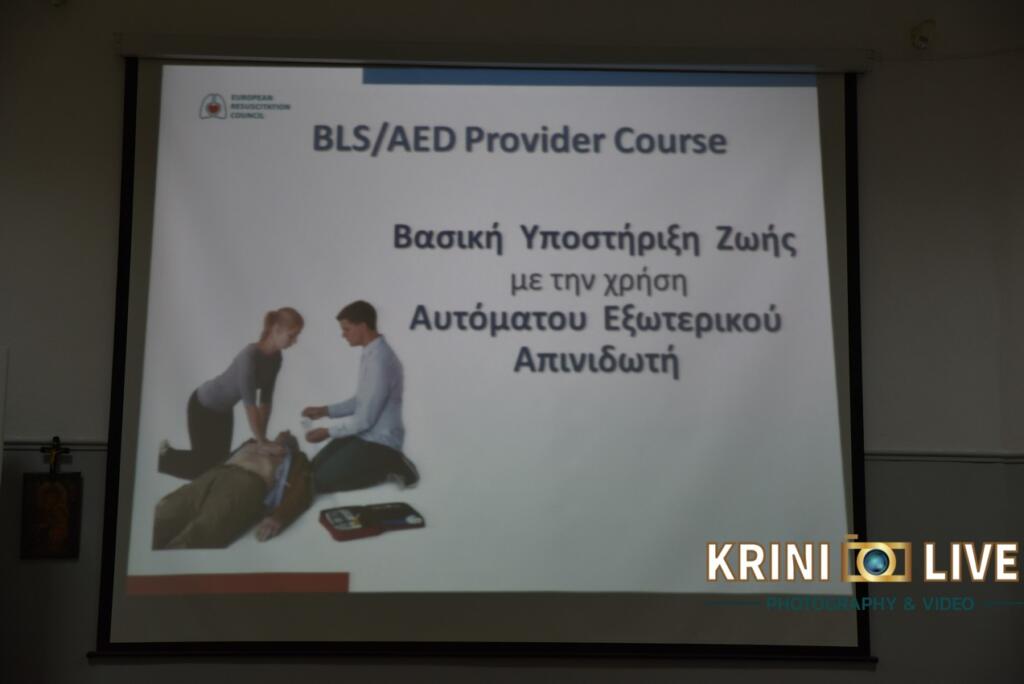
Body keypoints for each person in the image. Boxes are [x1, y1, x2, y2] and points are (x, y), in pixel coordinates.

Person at [159, 307, 304, 480]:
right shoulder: (249, 356)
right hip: (202, 406)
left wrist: (263, 440)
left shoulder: (276, 359)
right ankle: (164, 457)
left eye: (296, 336)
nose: (295, 341)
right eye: (292, 335)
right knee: (203, 469)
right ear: (276, 329)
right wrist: (261, 442)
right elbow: (250, 405)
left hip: (224, 413)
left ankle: (167, 456)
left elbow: (266, 402)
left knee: (219, 466)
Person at [302, 300, 419, 492]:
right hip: (364, 434)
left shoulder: (380, 361)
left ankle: (392, 463)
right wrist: (325, 411)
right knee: (313, 469)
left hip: (381, 441)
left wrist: (327, 432)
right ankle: (380, 463)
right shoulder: (371, 353)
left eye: (347, 329)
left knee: (320, 482)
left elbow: (365, 420)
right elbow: (361, 401)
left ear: (363, 326)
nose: (343, 335)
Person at [152, 431, 312, 549]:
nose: (285, 433)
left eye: (288, 436)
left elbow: (302, 489)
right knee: (165, 513)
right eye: (282, 434)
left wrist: (279, 517)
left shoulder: (296, 458)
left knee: (202, 531)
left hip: (247, 482)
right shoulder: (253, 442)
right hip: (213, 475)